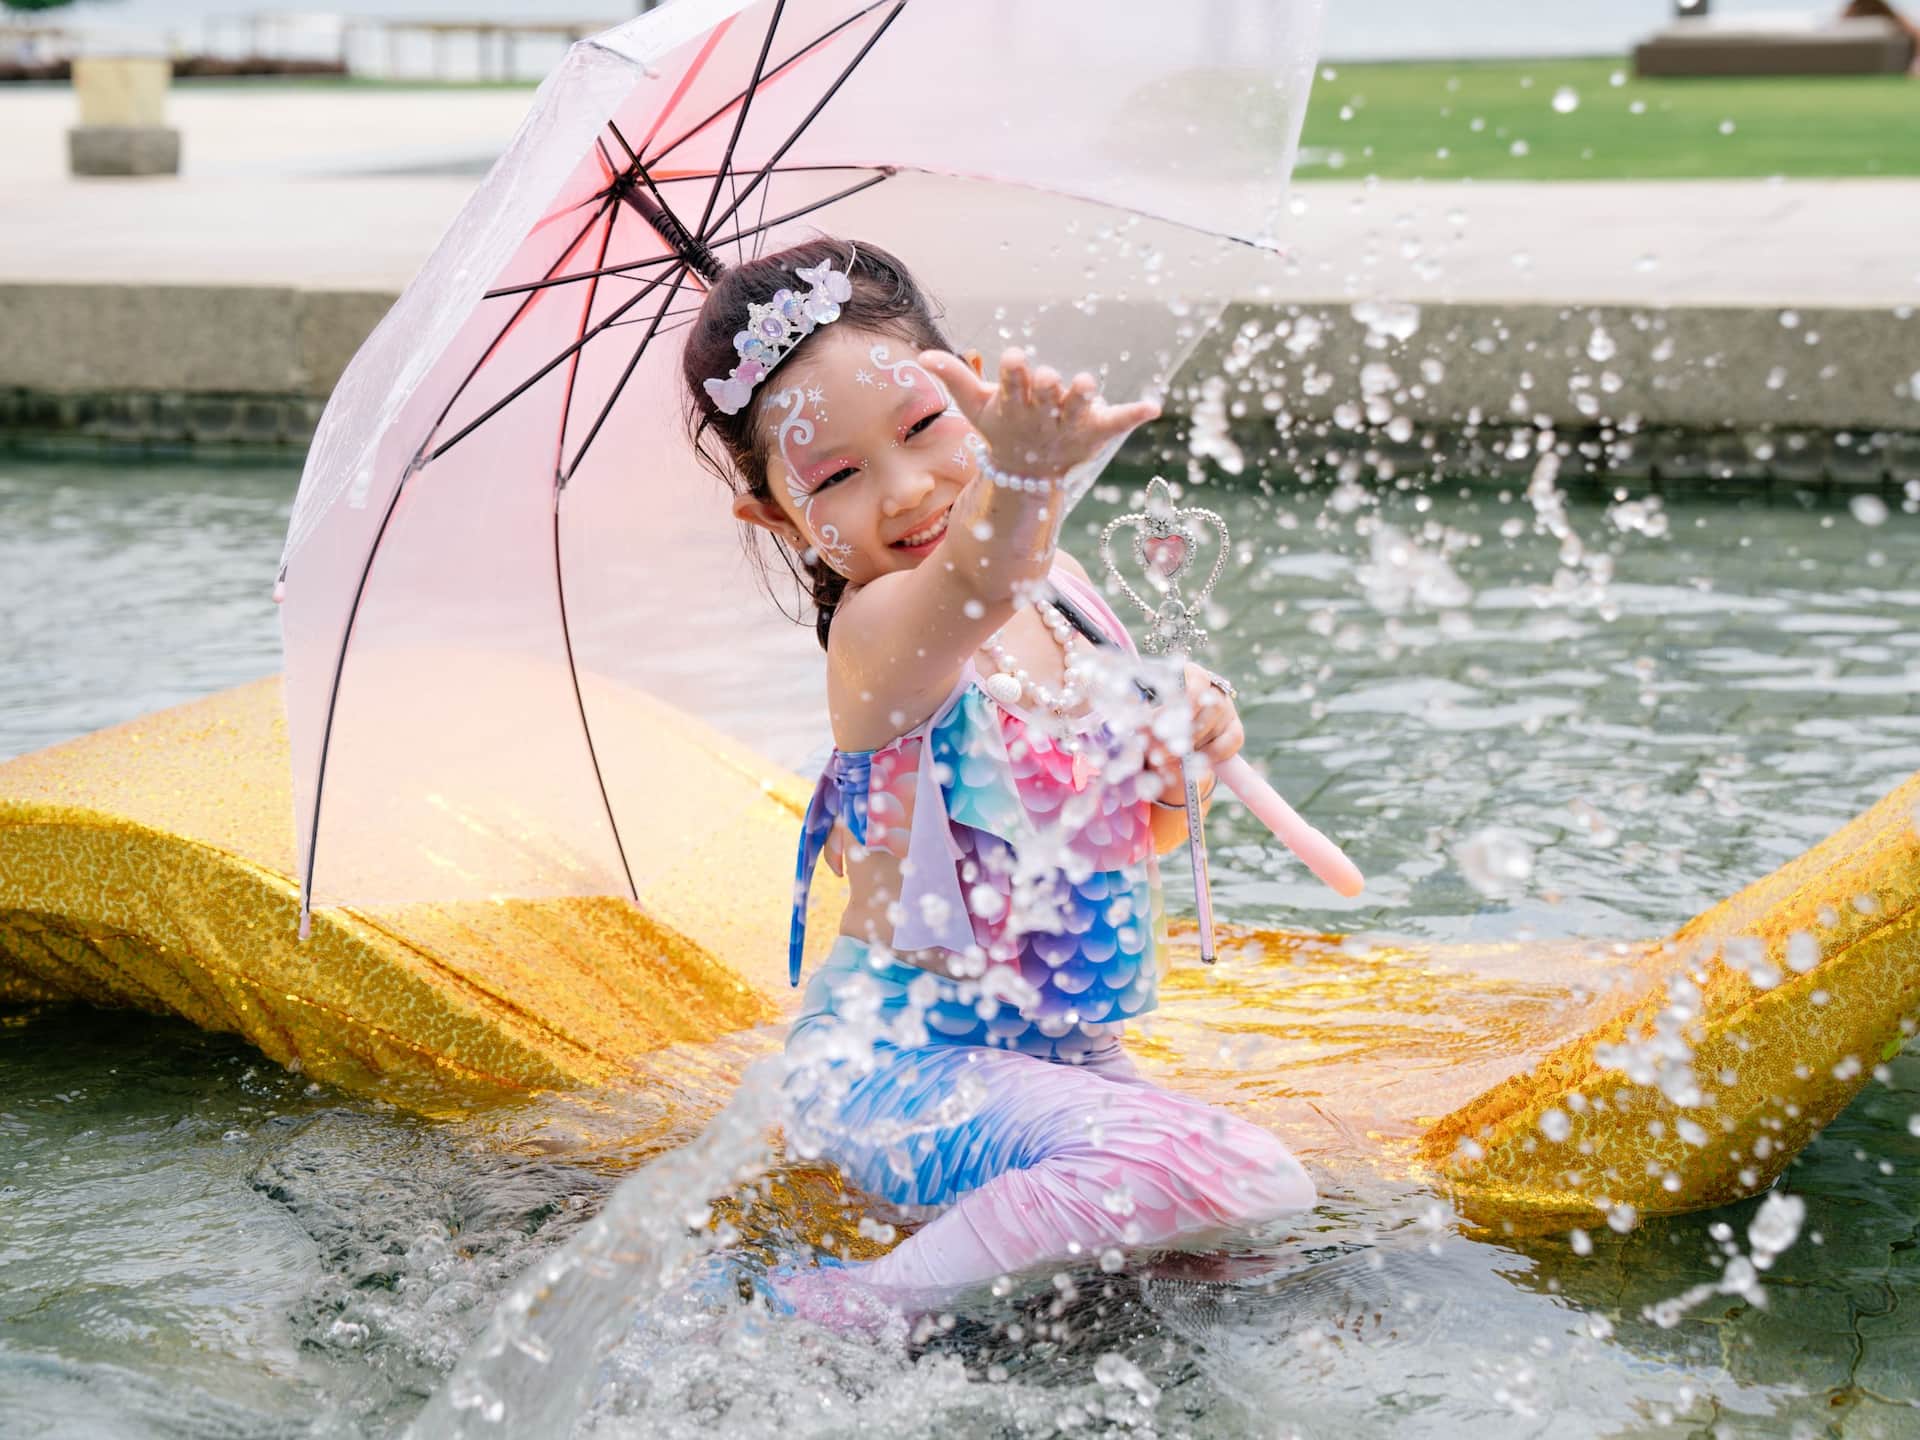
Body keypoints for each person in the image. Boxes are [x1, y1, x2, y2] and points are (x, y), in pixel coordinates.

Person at [681, 236, 1315, 1326]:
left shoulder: (1059, 595)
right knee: (1236, 1175)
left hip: (1060, 1054)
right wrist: (1021, 473)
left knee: (1246, 1235)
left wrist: (1181, 754)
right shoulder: (886, 635)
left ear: (964, 384)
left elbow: (1137, 839)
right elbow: (978, 572)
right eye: (834, 476)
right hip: (894, 1076)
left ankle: (958, 1298)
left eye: (924, 426)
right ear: (780, 521)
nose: (907, 486)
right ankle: (831, 1310)